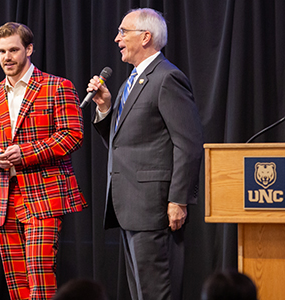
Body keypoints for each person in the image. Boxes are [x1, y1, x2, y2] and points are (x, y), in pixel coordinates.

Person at [87, 8, 204, 300]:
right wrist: (105, 108)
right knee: (141, 292)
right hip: (130, 207)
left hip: (154, 209)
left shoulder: (167, 78)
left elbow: (188, 145)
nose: (117, 39)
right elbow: (124, 143)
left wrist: (178, 199)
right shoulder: (132, 80)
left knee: (156, 292)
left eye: (123, 32)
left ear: (146, 36)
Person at [0, 22, 86, 299]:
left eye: (13, 49)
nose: (7, 57)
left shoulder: (57, 86)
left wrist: (25, 153)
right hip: (6, 198)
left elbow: (72, 135)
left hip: (43, 195)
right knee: (17, 280)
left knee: (39, 272)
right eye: (2, 51)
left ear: (29, 49)